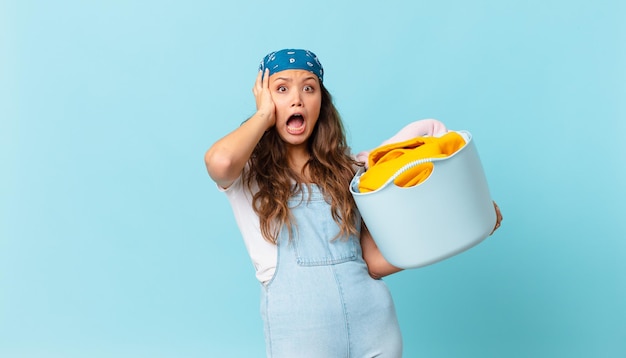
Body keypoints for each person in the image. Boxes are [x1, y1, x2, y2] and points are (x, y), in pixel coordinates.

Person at [204, 49, 502, 357]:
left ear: (322, 101)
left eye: (309, 87)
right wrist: (263, 116)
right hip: (301, 336)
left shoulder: (347, 170)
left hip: (374, 327)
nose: (297, 99)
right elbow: (221, 162)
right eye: (281, 89)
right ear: (264, 99)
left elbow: (372, 260)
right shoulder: (249, 173)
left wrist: (467, 225)